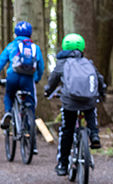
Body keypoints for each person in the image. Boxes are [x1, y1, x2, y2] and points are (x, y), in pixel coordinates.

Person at [45, 33, 107, 176]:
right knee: (90, 112)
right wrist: (102, 93)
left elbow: (53, 79)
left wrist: (48, 92)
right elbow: (99, 78)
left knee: (67, 130)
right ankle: (94, 135)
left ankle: (62, 164)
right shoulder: (87, 62)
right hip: (89, 100)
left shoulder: (62, 63)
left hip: (70, 102)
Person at [0, 21, 45, 153]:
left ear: (16, 33)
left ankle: (8, 112)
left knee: (9, 95)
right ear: (30, 34)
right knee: (29, 105)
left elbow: (0, 62)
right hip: (28, 80)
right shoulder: (35, 48)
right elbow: (40, 67)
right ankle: (32, 143)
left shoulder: (12, 46)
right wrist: (37, 79)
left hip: (13, 77)